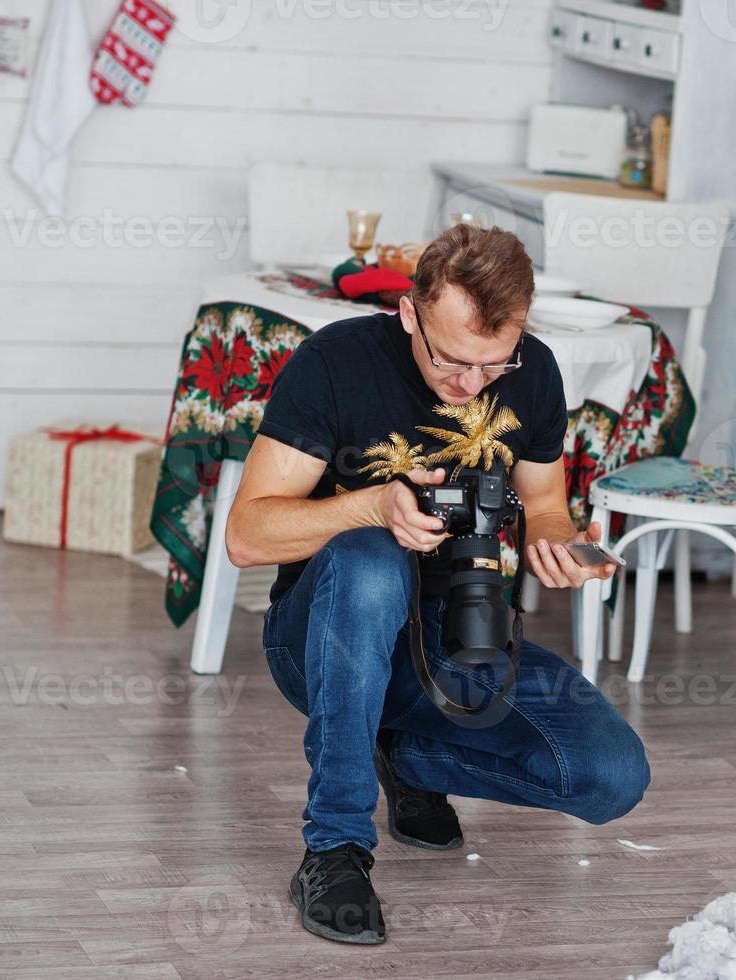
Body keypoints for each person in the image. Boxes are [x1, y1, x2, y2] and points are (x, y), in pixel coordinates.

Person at [225, 225, 651, 946]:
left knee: (609, 776)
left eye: (493, 363)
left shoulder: (535, 370)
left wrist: (559, 543)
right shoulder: (335, 363)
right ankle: (335, 849)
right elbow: (245, 536)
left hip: (462, 636)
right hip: (328, 635)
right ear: (408, 315)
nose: (471, 384)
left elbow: (546, 504)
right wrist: (371, 505)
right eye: (452, 359)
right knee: (368, 559)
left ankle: (397, 753)